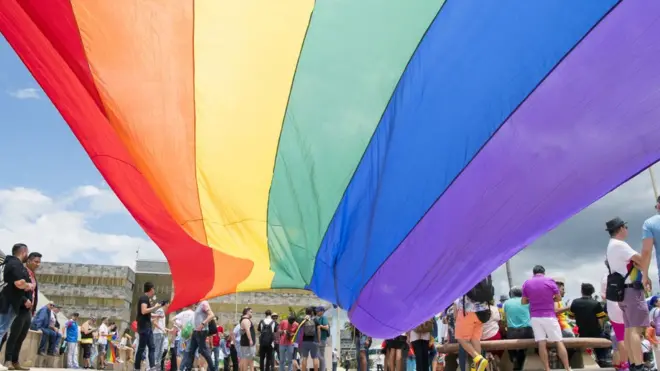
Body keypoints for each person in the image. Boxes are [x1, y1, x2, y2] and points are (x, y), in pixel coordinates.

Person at [606, 217, 652, 371]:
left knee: (628, 328)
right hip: (632, 291)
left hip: (622, 292)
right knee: (636, 329)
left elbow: (635, 263)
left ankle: (633, 363)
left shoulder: (611, 246)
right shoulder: (620, 245)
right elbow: (642, 260)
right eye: (625, 226)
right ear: (620, 228)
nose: (627, 229)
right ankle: (639, 365)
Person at [522, 265, 571, 371]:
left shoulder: (526, 283)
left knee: (541, 343)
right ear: (544, 272)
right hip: (549, 316)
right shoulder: (550, 281)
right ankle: (567, 368)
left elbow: (524, 302)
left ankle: (547, 369)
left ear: (533, 273)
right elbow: (558, 298)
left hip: (535, 317)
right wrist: (548, 299)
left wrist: (535, 300)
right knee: (559, 341)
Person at [4, 251, 40, 370]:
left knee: (21, 336)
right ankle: (8, 360)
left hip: (29, 311)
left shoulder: (33, 275)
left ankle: (15, 361)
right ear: (28, 260)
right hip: (20, 307)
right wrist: (24, 299)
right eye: (36, 261)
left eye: (39, 262)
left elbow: (34, 293)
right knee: (14, 335)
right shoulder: (22, 271)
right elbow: (15, 287)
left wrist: (33, 308)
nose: (38, 264)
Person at [135, 282, 164, 371]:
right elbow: (144, 311)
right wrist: (155, 307)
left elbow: (147, 314)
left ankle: (152, 367)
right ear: (151, 289)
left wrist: (157, 316)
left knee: (151, 347)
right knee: (141, 348)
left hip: (147, 327)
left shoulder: (146, 298)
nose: (154, 290)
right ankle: (137, 368)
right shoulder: (144, 298)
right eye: (154, 289)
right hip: (144, 327)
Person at [181, 300, 215, 371]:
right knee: (191, 350)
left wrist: (203, 324)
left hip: (201, 331)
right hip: (196, 331)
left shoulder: (204, 303)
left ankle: (212, 368)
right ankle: (188, 368)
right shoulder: (198, 305)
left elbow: (211, 315)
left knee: (203, 350)